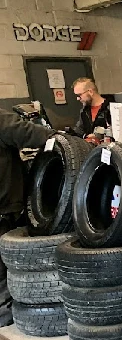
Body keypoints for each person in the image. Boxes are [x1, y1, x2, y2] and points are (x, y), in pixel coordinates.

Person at [0, 108, 55, 326]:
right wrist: (60, 138)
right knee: (4, 262)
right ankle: (6, 315)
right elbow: (28, 133)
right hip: (3, 205)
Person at [72, 78, 111, 146]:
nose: (78, 99)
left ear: (90, 92)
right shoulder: (84, 112)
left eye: (79, 95)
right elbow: (79, 131)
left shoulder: (111, 108)